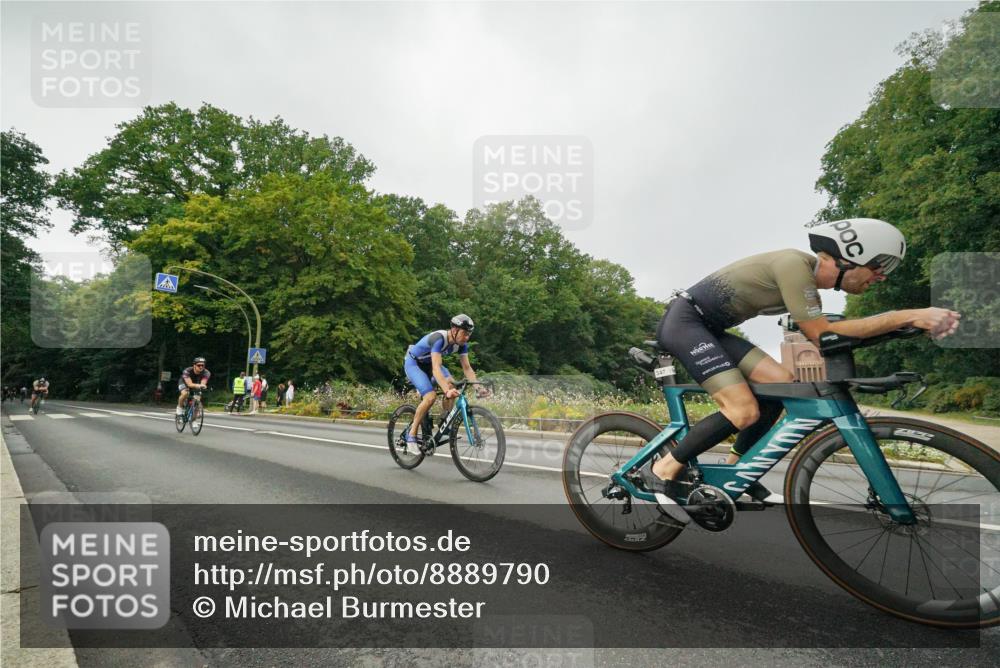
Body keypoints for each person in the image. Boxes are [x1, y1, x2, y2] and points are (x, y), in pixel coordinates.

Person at [642, 218, 961, 523]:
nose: (882, 277)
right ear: (851, 256)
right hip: (686, 323)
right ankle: (662, 469)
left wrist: (909, 324)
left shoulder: (807, 285)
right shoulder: (794, 266)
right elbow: (823, 336)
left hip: (709, 328)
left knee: (783, 385)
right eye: (880, 266)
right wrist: (909, 315)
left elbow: (835, 332)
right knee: (742, 410)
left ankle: (736, 472)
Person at [403, 314, 485, 449]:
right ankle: (411, 435)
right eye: (464, 333)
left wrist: (478, 387)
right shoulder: (439, 339)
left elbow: (467, 368)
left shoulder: (461, 345)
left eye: (469, 334)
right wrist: (446, 391)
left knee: (452, 383)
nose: (467, 337)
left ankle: (445, 420)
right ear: (454, 330)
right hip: (414, 364)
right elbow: (436, 368)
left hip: (430, 364)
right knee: (431, 397)